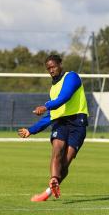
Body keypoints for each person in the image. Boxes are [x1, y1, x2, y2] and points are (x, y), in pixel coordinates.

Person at [18, 54, 88, 202]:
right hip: (61, 122)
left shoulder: (72, 77)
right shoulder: (52, 88)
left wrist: (46, 106)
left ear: (60, 64)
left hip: (78, 122)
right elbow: (51, 116)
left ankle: (49, 191)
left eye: (53, 66)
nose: (51, 70)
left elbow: (65, 97)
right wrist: (31, 130)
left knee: (66, 161)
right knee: (57, 149)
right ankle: (54, 179)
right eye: (48, 68)